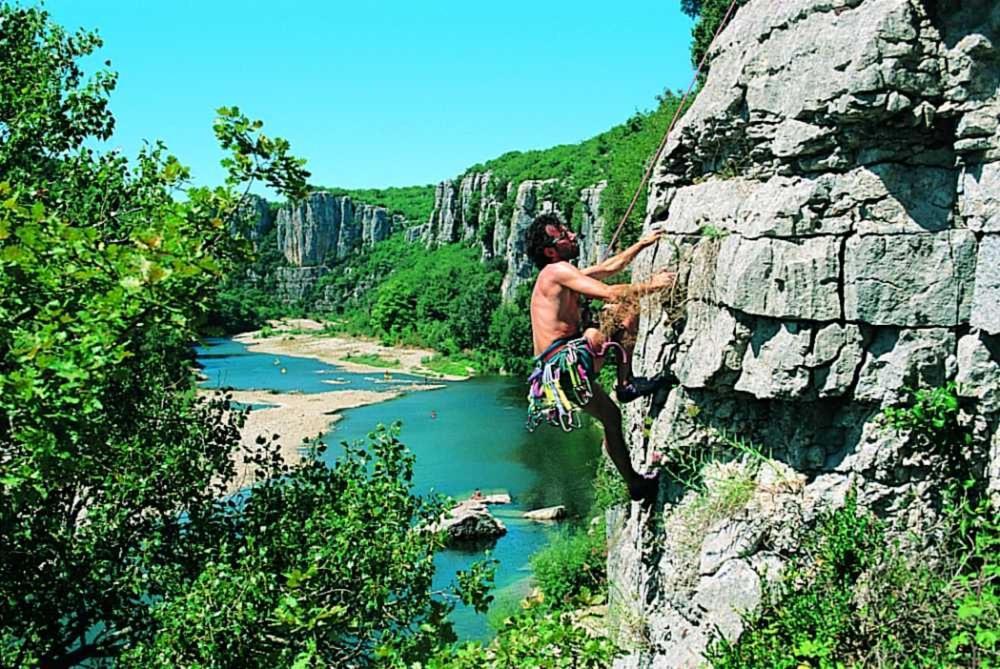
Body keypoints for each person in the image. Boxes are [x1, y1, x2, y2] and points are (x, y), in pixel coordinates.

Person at [525, 212, 675, 506]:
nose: (571, 235)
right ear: (550, 251)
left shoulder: (560, 275)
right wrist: (655, 284)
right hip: (567, 363)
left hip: (554, 376)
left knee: (611, 418)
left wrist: (643, 244)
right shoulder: (556, 271)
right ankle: (626, 382)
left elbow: (609, 267)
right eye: (563, 235)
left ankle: (635, 484)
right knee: (621, 309)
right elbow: (609, 292)